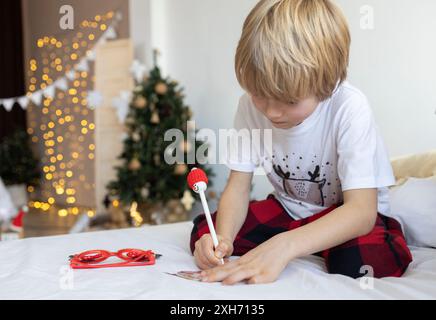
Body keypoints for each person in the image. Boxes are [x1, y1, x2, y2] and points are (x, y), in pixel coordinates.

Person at [190, 0, 412, 285]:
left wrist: (285, 245)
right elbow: (238, 185)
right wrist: (222, 239)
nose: (271, 112)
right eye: (260, 94)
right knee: (203, 231)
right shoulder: (248, 107)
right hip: (289, 210)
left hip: (345, 216)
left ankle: (319, 243)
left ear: (326, 82)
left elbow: (361, 212)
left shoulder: (349, 107)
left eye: (289, 101)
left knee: (363, 262)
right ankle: (302, 242)